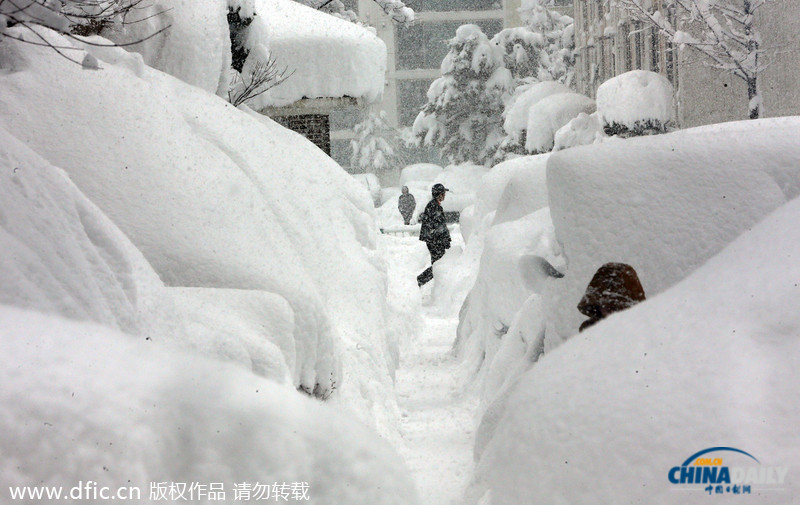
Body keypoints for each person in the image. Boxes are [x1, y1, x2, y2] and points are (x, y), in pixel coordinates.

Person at [577, 262, 646, 332]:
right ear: (597, 307)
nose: (611, 313)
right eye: (605, 307)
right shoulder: (591, 332)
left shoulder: (645, 330)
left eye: (616, 307)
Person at [417, 183, 451, 287]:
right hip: (435, 241)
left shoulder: (434, 205)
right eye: (443, 193)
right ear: (439, 194)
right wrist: (445, 240)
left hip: (434, 240)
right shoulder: (434, 207)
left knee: (438, 264)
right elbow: (439, 227)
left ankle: (425, 281)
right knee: (438, 265)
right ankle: (421, 280)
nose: (445, 195)